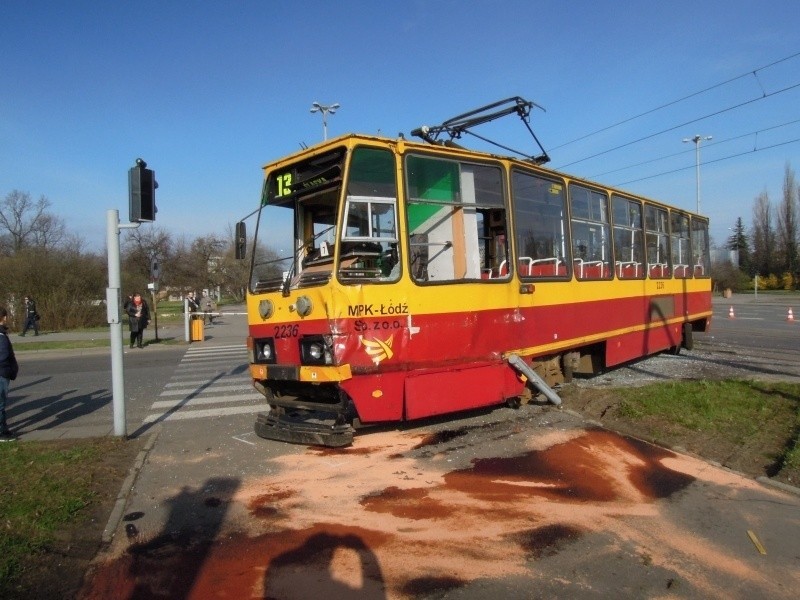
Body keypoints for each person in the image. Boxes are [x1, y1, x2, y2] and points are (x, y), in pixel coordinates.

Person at [0, 307, 20, 441]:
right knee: (0, 404)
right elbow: (3, 356)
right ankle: (2, 432)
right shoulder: (1, 336)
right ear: (4, 317)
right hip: (2, 372)